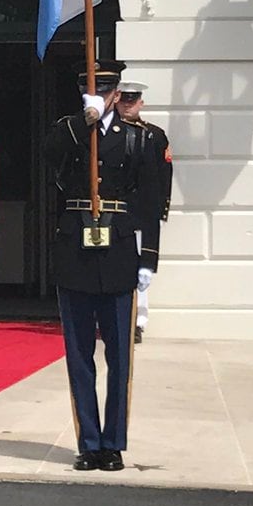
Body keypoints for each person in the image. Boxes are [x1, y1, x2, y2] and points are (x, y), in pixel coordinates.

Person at [45, 59, 162, 473]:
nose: (98, 95)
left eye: (105, 89)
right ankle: (88, 441)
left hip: (117, 251)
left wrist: (149, 257)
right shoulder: (71, 130)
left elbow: (149, 204)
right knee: (78, 354)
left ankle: (113, 442)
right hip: (75, 248)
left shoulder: (138, 138)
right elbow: (51, 155)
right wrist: (87, 118)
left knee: (119, 355)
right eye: (90, 89)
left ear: (117, 91)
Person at [115, 81, 173, 344]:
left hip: (140, 213)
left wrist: (160, 208)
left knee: (142, 273)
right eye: (123, 99)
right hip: (113, 213)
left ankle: (137, 322)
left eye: (133, 99)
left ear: (141, 102)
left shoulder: (155, 136)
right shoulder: (104, 134)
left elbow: (163, 176)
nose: (128, 104)